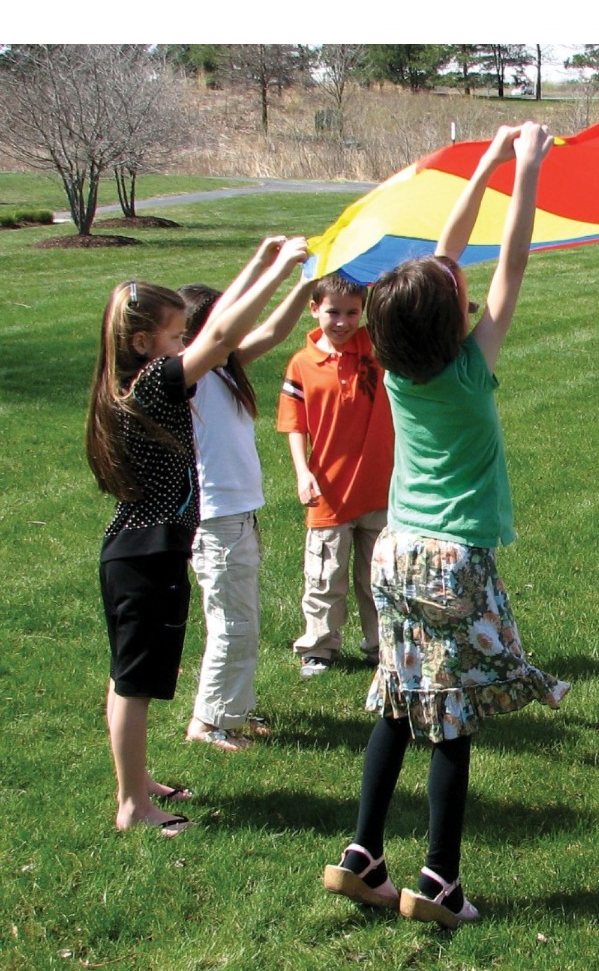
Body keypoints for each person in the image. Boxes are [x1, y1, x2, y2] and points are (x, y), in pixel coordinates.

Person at [323, 122, 568, 927]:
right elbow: (512, 260)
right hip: (452, 560)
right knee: (450, 720)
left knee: (399, 698)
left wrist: (494, 160)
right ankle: (439, 885)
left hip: (393, 554)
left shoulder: (394, 367)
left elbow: (443, 255)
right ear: (457, 316)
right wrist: (525, 166)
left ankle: (362, 856)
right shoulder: (470, 368)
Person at [87, 236, 310, 836]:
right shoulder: (157, 382)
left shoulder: (132, 382)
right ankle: (133, 805)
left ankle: (136, 783)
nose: (185, 344)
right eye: (173, 336)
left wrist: (262, 267)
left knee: (125, 677)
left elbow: (216, 335)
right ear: (143, 344)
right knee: (134, 685)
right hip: (149, 551)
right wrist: (273, 269)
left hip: (134, 549)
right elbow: (218, 337)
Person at [182, 263, 317, 750]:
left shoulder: (224, 368)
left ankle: (230, 709)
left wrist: (306, 282)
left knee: (241, 620)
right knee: (233, 624)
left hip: (237, 518)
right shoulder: (190, 378)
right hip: (216, 520)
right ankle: (210, 721)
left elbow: (275, 328)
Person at [276, 273, 393, 678]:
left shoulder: (372, 347)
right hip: (327, 491)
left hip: (378, 487)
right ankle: (320, 646)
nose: (342, 322)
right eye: (332, 312)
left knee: (377, 576)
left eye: (351, 313)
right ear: (314, 309)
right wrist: (302, 471)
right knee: (325, 575)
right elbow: (295, 424)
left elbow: (389, 306)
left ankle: (383, 646)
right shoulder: (302, 363)